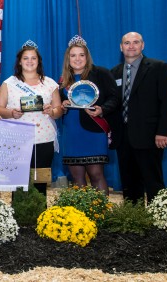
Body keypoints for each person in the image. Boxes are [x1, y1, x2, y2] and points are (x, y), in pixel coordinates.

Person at [110, 32, 167, 203]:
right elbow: (113, 104)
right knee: (129, 182)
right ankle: (135, 220)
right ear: (121, 47)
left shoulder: (159, 67)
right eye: (127, 43)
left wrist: (163, 131)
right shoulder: (115, 72)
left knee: (152, 181)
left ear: (143, 45)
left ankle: (158, 221)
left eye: (135, 42)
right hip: (123, 138)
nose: (131, 46)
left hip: (150, 136)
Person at [0, 41, 62, 195]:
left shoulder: (50, 83)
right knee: (18, 182)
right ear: (19, 61)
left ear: (39, 61)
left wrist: (52, 111)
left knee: (40, 181)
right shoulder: (9, 83)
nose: (30, 61)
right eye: (26, 58)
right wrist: (11, 113)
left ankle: (40, 216)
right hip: (17, 138)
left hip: (44, 138)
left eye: (33, 58)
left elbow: (59, 110)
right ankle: (19, 216)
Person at [59, 36, 119, 196]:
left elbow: (115, 98)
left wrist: (102, 109)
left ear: (87, 57)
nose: (77, 59)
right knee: (76, 177)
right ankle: (83, 218)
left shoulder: (101, 73)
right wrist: (63, 106)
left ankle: (101, 215)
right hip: (72, 132)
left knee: (96, 174)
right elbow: (61, 104)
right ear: (68, 58)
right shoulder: (64, 81)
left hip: (94, 130)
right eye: (73, 55)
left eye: (81, 55)